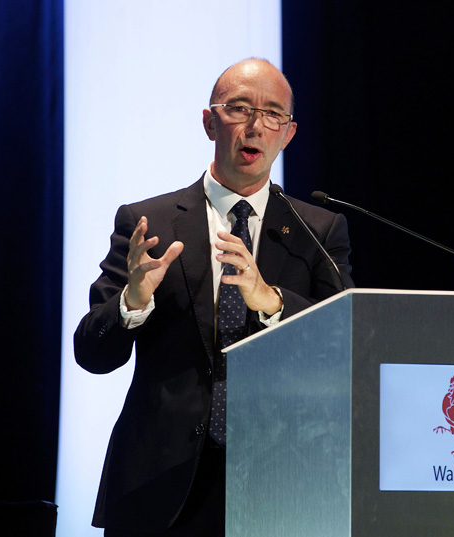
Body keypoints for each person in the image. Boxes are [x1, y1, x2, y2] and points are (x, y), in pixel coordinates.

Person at [74, 58, 354, 536]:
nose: (255, 126)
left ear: (288, 135)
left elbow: (346, 344)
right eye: (239, 108)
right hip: (159, 483)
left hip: (278, 482)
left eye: (272, 115)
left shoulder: (318, 229)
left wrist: (272, 301)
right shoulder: (149, 223)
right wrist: (133, 301)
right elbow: (91, 354)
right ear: (209, 122)